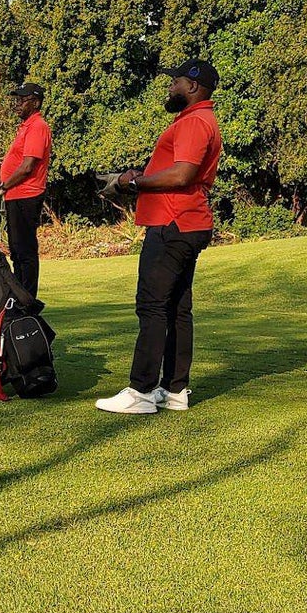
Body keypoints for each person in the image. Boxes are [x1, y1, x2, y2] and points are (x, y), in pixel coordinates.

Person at [96, 61, 223, 414]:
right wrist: (136, 175)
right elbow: (174, 170)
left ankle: (141, 391)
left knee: (152, 305)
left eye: (176, 81)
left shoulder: (196, 121)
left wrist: (132, 183)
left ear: (194, 87)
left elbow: (182, 175)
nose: (170, 87)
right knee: (177, 308)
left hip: (174, 223)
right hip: (186, 222)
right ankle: (175, 389)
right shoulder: (194, 120)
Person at [0, 83, 52, 297]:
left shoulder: (38, 126)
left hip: (26, 194)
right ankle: (18, 295)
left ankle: (26, 298)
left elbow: (28, 166)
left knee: (25, 251)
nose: (17, 104)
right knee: (17, 250)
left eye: (23, 99)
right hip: (15, 195)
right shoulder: (26, 127)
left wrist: (4, 186)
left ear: (35, 102)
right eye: (17, 100)